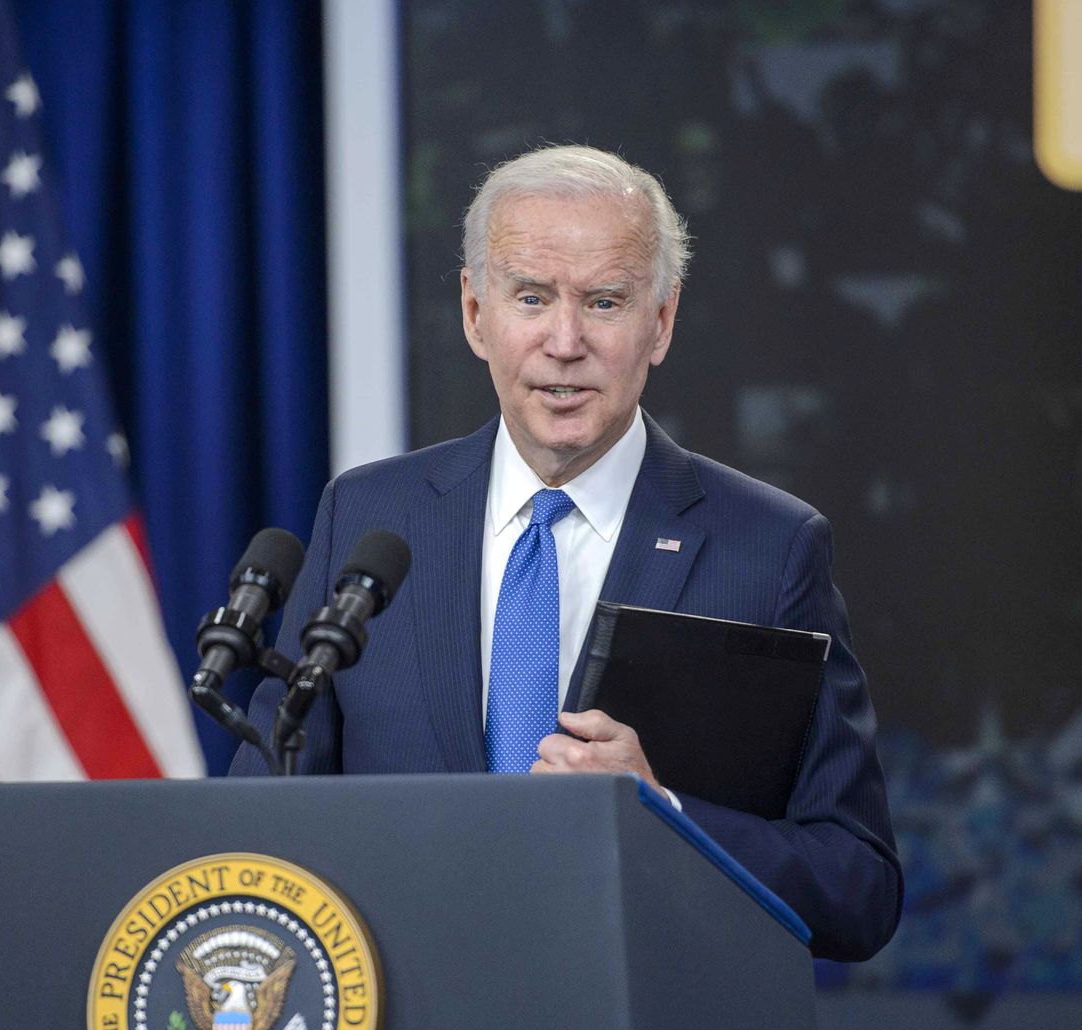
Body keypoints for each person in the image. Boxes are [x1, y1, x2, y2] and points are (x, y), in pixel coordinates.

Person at [230, 145, 900, 961]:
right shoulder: (370, 518)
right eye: (532, 297)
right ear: (475, 314)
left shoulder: (769, 549)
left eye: (605, 301)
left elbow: (858, 889)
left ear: (661, 322)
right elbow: (260, 821)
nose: (565, 340)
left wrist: (665, 815)